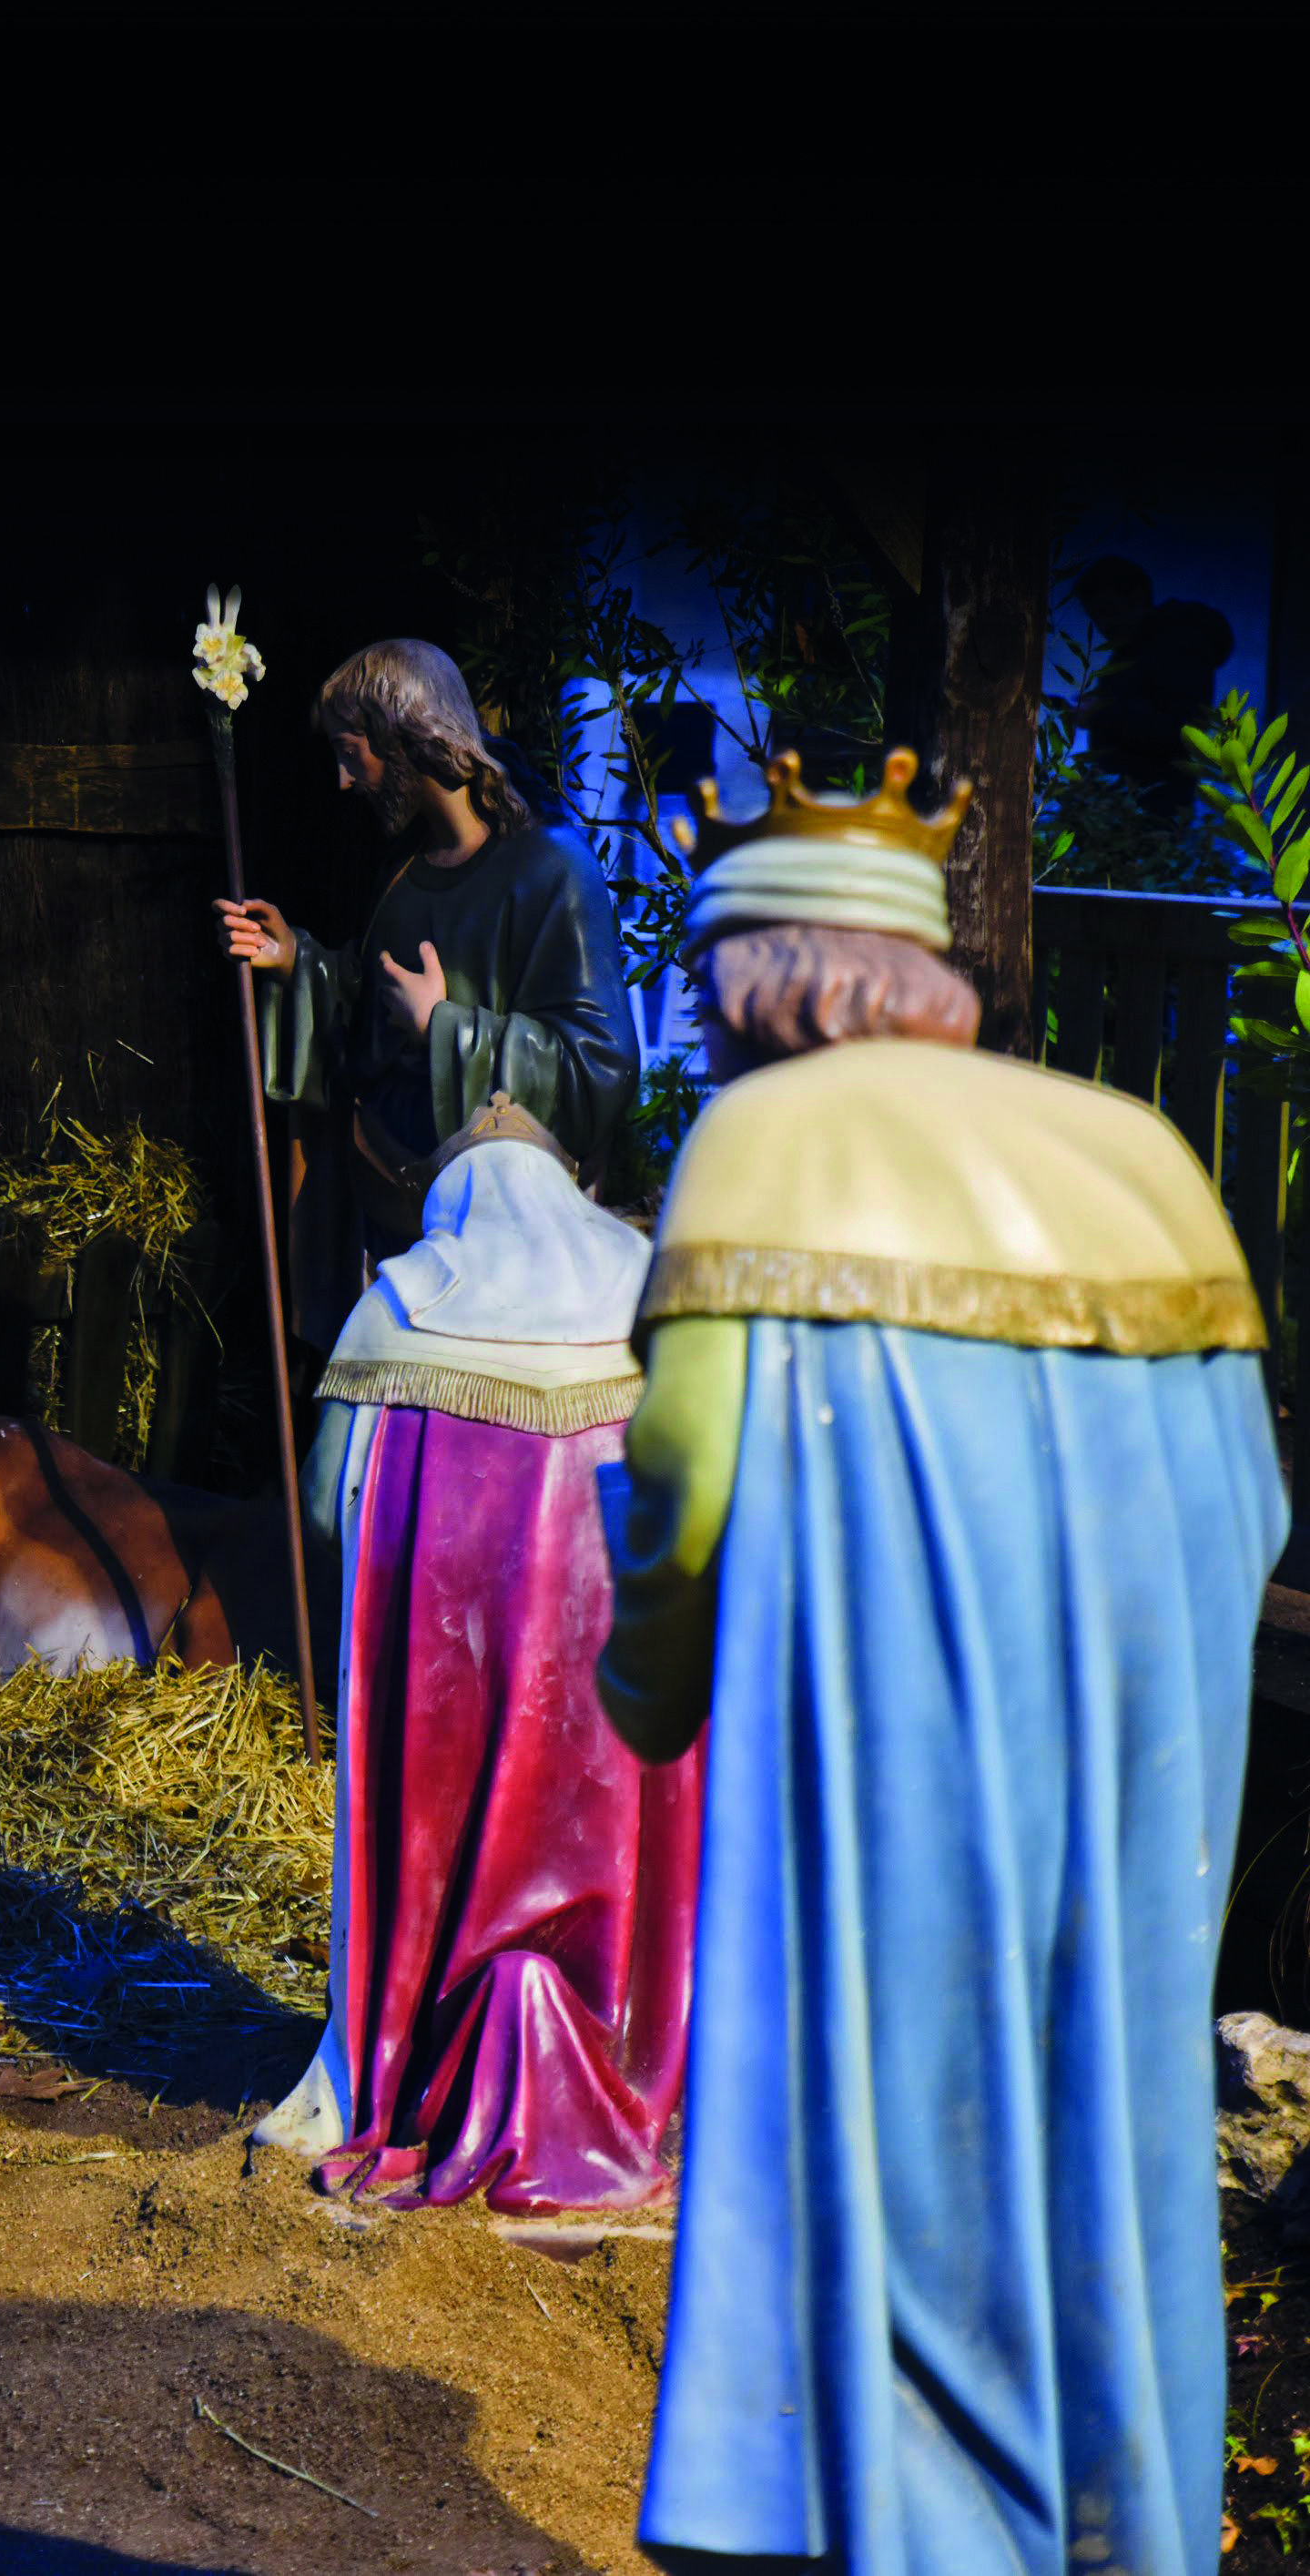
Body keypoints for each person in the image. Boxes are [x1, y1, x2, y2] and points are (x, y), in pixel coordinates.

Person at [599, 750, 1279, 2574]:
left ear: (756, 985)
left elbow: (680, 1473)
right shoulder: (1138, 1162)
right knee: (1088, 2135)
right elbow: (1246, 1498)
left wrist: (643, 1683)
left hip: (890, 1771)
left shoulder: (757, 1146)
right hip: (1127, 1783)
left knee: (892, 2160)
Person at [254, 1094, 698, 2210]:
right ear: (570, 1188)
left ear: (448, 1198)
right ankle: (624, 2062)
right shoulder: (652, 1290)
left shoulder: (400, 1305)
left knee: (433, 1838)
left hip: (448, 1683)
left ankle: (418, 2064)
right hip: (612, 1683)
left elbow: (324, 1510)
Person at [215, 638, 640, 1326]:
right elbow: (372, 996)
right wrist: (299, 961)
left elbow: (600, 1067)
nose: (345, 781)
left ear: (408, 736)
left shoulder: (553, 871)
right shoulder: (408, 866)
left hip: (496, 1263)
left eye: (352, 752)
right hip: (386, 1238)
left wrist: (445, 1027)